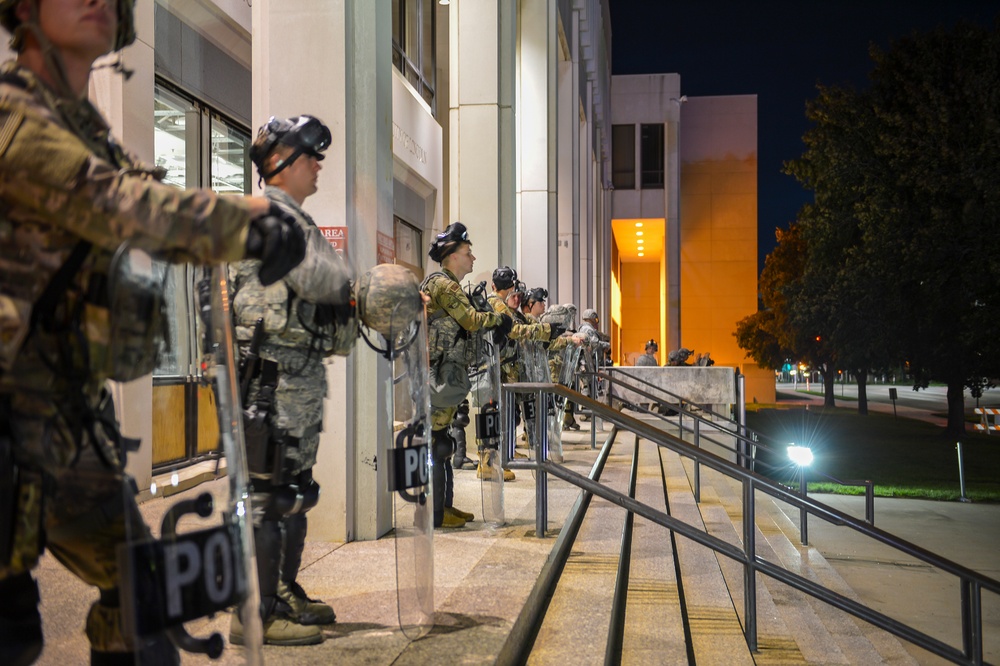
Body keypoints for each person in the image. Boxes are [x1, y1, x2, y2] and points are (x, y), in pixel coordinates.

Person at [0, 2, 306, 663]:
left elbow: (134, 202)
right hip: (8, 418)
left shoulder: (89, 131)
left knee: (142, 594)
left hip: (62, 420)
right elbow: (114, 204)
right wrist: (241, 219)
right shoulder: (13, 116)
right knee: (9, 622)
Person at [227, 114, 356, 646]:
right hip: (272, 385)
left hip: (294, 383)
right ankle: (255, 612)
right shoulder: (272, 220)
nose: (319, 165)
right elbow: (328, 280)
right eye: (310, 156)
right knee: (270, 495)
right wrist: (357, 286)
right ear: (281, 165)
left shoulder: (292, 220)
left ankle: (280, 590)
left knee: (294, 491)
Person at [422, 222, 511, 528]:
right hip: (438, 376)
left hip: (447, 374)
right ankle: (435, 512)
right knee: (437, 443)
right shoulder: (444, 285)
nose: (473, 259)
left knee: (443, 442)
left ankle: (445, 506)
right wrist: (498, 318)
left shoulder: (450, 286)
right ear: (452, 255)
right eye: (468, 253)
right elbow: (471, 320)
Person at [485, 269, 564, 479]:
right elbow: (515, 331)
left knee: (507, 414)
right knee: (495, 413)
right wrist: (546, 330)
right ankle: (488, 462)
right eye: (514, 293)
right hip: (497, 369)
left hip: (507, 368)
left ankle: (503, 454)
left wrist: (547, 331)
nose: (516, 298)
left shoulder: (505, 308)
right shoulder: (496, 304)